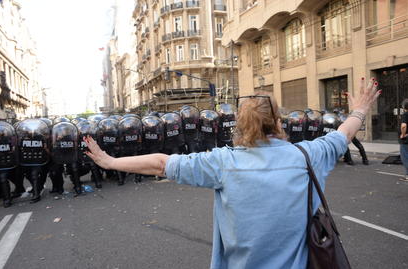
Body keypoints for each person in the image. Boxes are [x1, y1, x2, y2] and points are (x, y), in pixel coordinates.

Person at [84, 77, 380, 269]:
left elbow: (162, 163)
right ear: (278, 121)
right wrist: (360, 108)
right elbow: (345, 132)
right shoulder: (309, 155)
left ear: (239, 125)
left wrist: (110, 162)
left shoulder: (223, 162)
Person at [399, 99, 408, 181]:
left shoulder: (405, 114)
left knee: (405, 157)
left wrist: (403, 134)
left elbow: (403, 126)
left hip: (406, 140)